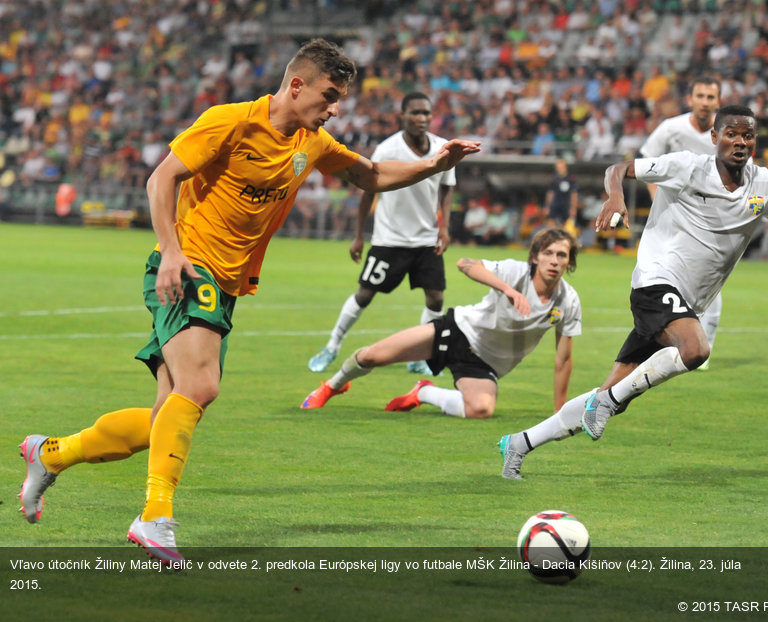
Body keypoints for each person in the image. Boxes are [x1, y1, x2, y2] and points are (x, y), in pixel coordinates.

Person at [17, 39, 480, 565]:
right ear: (296, 84)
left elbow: (369, 175)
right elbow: (161, 177)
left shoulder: (314, 142)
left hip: (227, 283)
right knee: (201, 386)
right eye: (329, 96)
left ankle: (50, 453)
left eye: (340, 100)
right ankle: (154, 518)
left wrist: (437, 163)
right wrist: (170, 252)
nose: (334, 109)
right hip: (191, 266)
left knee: (165, 418)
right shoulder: (231, 121)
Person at [497, 105, 768, 480]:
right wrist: (616, 197)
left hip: (685, 304)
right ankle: (606, 402)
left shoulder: (766, 185)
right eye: (731, 134)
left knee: (612, 393)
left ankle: (519, 443)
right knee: (696, 349)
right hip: (655, 283)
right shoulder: (688, 166)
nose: (739, 142)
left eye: (748, 136)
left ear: (755, 141)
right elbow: (619, 168)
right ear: (714, 138)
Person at [300, 228, 581, 422]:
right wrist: (506, 289)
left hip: (485, 364)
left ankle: (423, 391)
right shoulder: (515, 271)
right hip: (457, 331)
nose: (554, 261)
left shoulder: (568, 301)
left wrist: (559, 414)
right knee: (371, 356)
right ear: (535, 256)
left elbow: (563, 359)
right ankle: (332, 386)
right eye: (548, 253)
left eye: (561, 255)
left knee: (481, 410)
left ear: (569, 262)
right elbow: (465, 263)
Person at [307, 92, 456, 376]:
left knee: (436, 299)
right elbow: (367, 189)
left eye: (426, 113)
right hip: (390, 239)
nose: (422, 118)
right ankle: (332, 345)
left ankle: (421, 356)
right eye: (415, 113)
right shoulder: (388, 149)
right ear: (402, 116)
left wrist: (445, 227)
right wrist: (359, 235)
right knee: (365, 294)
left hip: (426, 239)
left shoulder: (442, 148)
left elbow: (448, 186)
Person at [639, 75, 722, 370]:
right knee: (663, 273)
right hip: (670, 216)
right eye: (700, 96)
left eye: (711, 97)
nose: (705, 102)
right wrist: (656, 200)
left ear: (718, 101)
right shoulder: (671, 128)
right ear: (691, 99)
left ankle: (703, 348)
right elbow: (647, 159)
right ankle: (661, 337)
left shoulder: (722, 133)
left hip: (707, 219)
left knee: (710, 278)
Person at [544, 159, 579, 227]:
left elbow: (574, 194)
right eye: (557, 168)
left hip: (566, 203)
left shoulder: (571, 178)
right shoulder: (554, 179)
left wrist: (573, 207)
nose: (559, 169)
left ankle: (564, 236)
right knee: (550, 221)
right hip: (555, 202)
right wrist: (547, 206)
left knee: (568, 223)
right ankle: (551, 236)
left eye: (560, 167)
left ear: (565, 167)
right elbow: (550, 193)